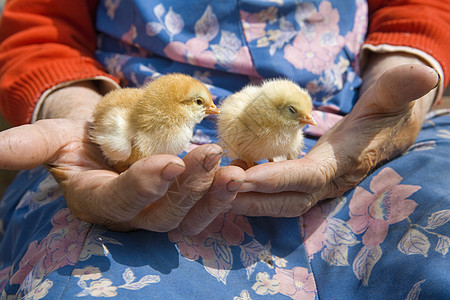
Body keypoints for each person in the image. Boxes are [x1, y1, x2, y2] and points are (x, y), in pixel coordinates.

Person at [0, 0, 449, 298]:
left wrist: (388, 110)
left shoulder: (259, 113)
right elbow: (42, 31)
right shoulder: (202, 117)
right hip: (120, 98)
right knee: (86, 283)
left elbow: (419, 9)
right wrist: (80, 109)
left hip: (356, 112)